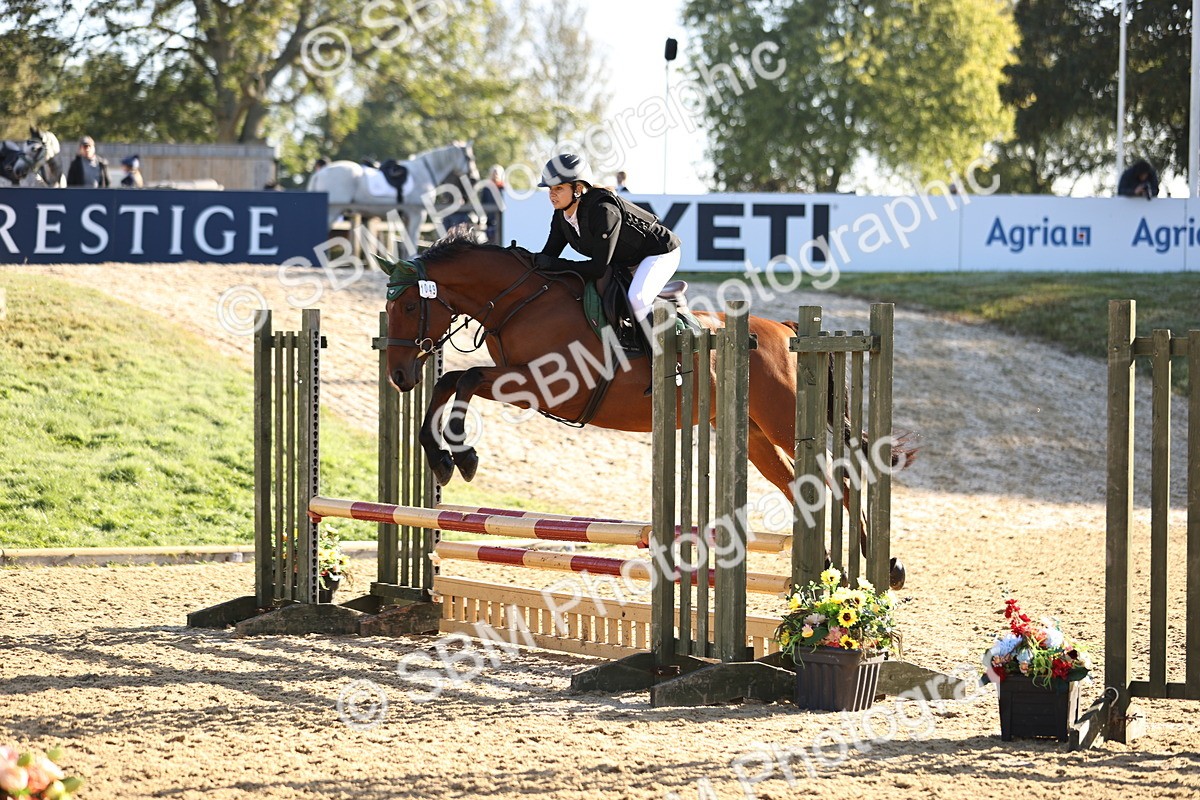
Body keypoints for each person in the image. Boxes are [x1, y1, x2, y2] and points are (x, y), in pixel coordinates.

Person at [534, 153, 681, 346]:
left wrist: (554, 264)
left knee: (637, 299)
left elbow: (598, 269)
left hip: (659, 252)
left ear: (578, 189)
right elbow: (548, 256)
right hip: (626, 260)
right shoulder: (561, 216)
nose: (552, 194)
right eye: (550, 189)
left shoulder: (603, 211)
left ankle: (668, 364)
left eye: (559, 188)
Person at [480, 165, 506, 244]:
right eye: (494, 172)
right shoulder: (487, 188)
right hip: (490, 221)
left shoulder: (504, 188)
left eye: (497, 173)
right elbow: (483, 203)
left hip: (503, 220)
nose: (496, 174)